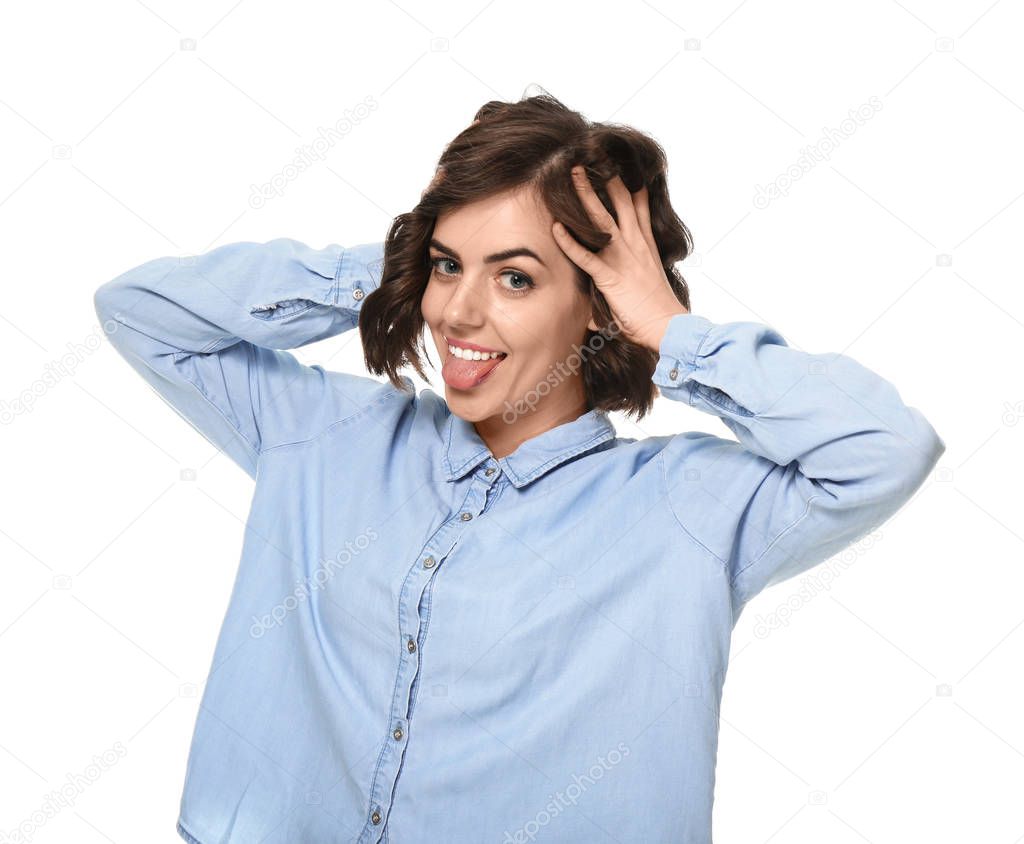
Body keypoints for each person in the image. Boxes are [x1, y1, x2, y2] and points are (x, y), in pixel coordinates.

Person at [93, 93, 944, 844]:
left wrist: (670, 325)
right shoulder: (324, 435)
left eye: (516, 278)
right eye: (448, 266)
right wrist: (394, 264)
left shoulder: (689, 507)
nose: (459, 311)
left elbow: (884, 451)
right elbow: (140, 312)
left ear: (597, 307)